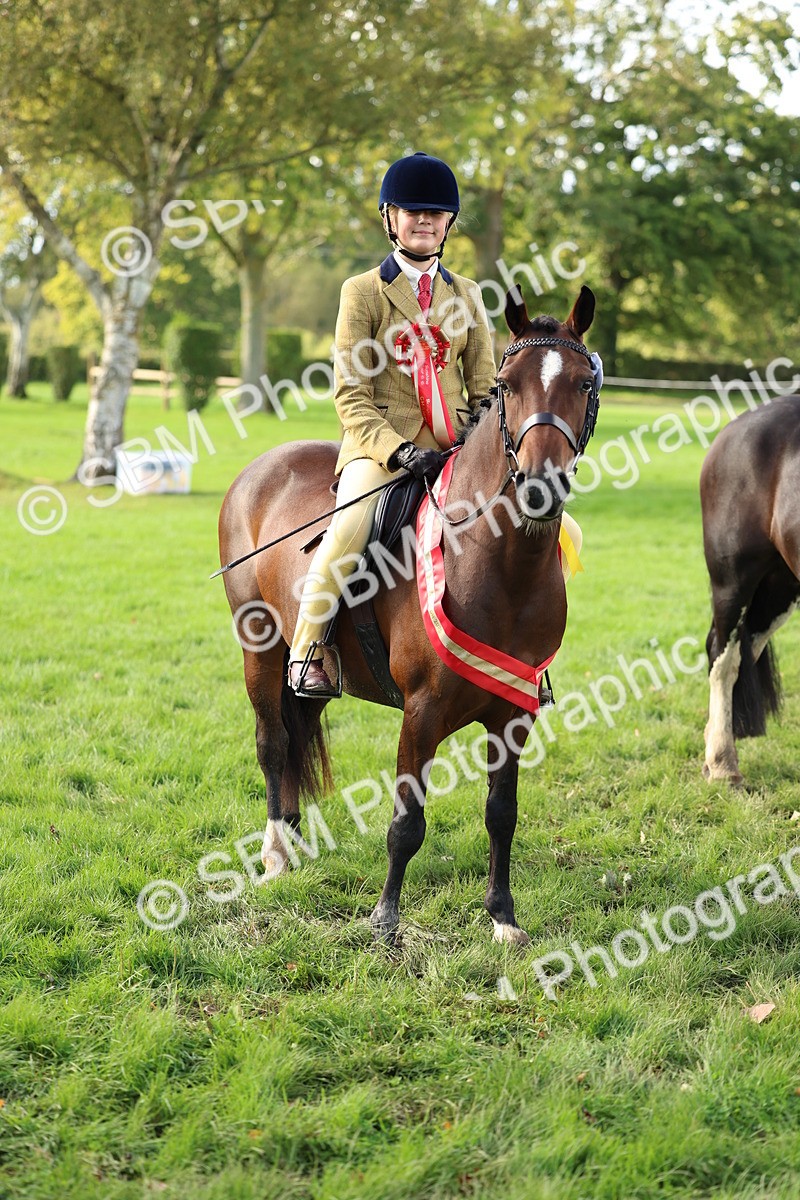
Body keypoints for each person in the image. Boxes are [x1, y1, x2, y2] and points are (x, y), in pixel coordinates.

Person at [288, 151, 497, 695]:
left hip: (456, 447)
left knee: (547, 526)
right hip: (381, 451)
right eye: (412, 210)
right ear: (390, 216)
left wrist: (475, 448)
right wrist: (400, 452)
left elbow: (485, 390)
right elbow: (351, 394)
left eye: (435, 212)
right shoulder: (362, 292)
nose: (424, 220)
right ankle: (309, 648)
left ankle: (528, 659)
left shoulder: (468, 295)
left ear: (449, 222)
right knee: (349, 532)